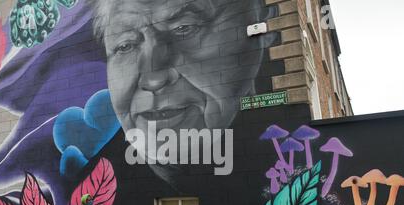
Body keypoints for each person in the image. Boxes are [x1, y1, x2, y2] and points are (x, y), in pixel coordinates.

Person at [89, 0, 278, 181]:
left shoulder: (289, 154)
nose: (153, 79)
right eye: (125, 46)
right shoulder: (83, 191)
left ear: (263, 25)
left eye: (184, 28)